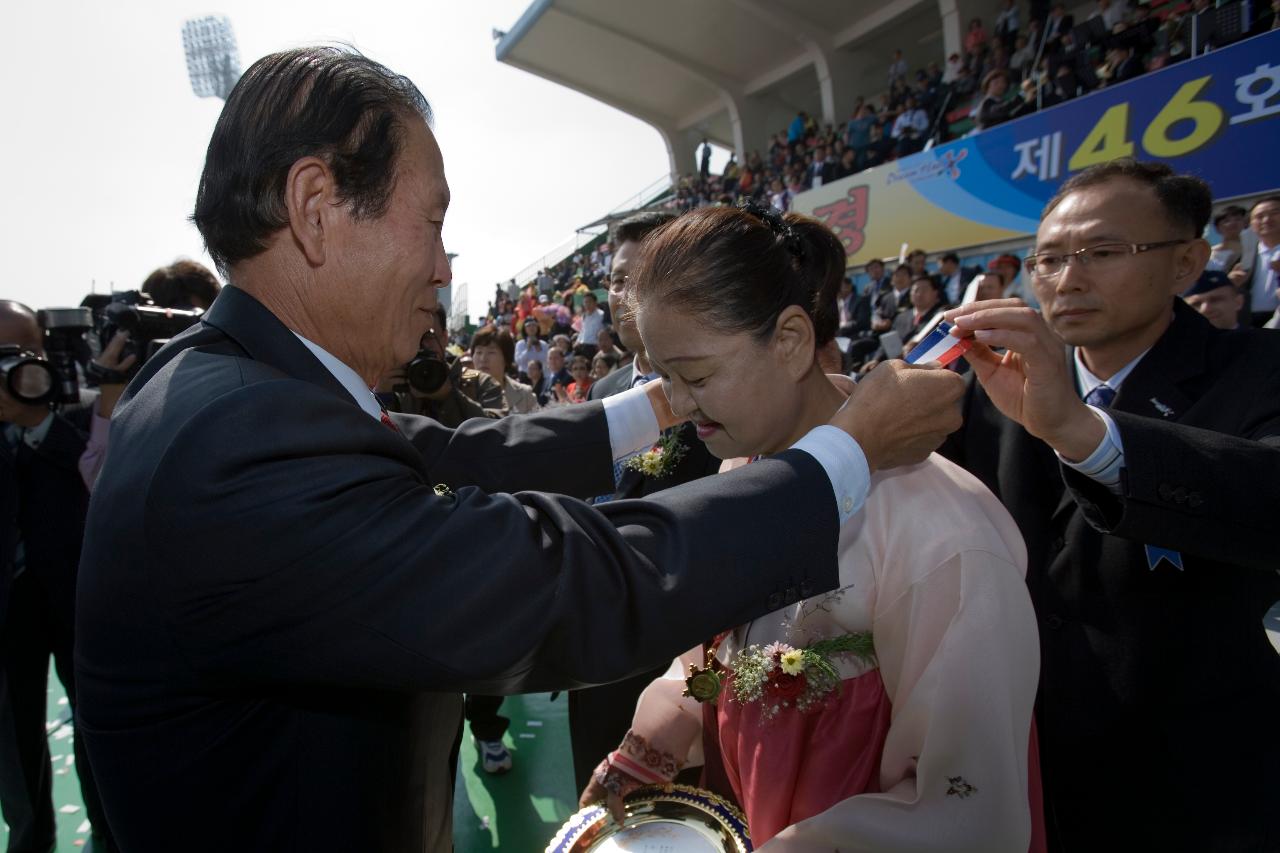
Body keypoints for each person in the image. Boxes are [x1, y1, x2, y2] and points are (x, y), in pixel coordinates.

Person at [74, 46, 965, 852]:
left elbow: (468, 457)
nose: (444, 268)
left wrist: (670, 393)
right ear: (316, 209)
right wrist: (843, 454)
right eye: (430, 225)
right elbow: (557, 583)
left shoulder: (231, 388)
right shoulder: (241, 439)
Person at [581, 206, 1043, 851]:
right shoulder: (743, 468)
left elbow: (967, 806)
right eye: (664, 376)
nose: (678, 407)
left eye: (699, 375)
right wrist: (658, 734)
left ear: (795, 341)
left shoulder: (940, 528)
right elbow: (710, 655)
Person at [942, 159, 1280, 851]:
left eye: (1102, 253)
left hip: (1200, 777)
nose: (1068, 279)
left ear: (1187, 262)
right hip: (1032, 761)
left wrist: (1083, 433)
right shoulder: (994, 383)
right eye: (1050, 259)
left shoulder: (1258, 368)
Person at [0, 302, 115, 852]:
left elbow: (99, 474)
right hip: (10, 610)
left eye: (25, 354)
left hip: (78, 604)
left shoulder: (84, 411)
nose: (16, 371)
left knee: (99, 740)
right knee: (15, 747)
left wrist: (37, 422)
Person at [1228, 195, 1280, 327]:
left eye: (1274, 213)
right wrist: (1230, 284)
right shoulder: (1239, 258)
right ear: (1251, 224)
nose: (1266, 220)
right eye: (1259, 216)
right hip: (1250, 322)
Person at [471, 324, 539, 414]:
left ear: (506, 358)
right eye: (479, 352)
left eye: (491, 352)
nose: (483, 359)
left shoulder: (525, 395)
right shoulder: (462, 394)